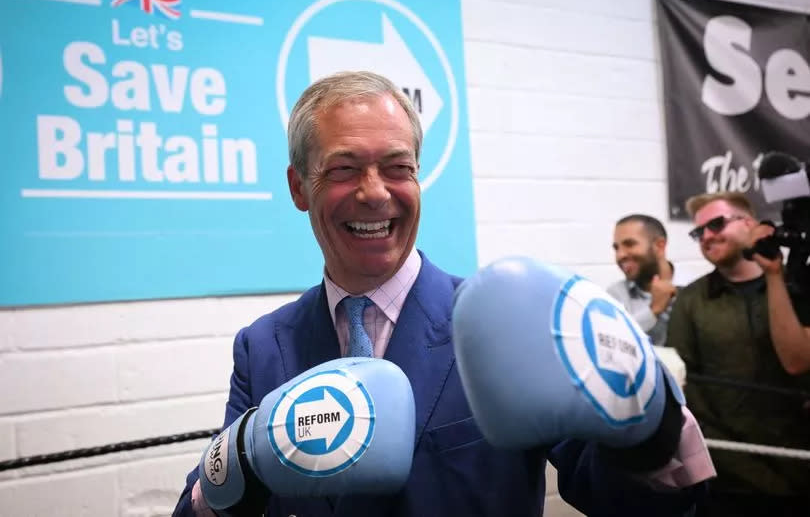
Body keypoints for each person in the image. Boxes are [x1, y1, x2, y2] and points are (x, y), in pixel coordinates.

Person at [173, 71, 712, 517]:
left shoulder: (494, 324)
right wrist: (238, 465)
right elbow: (199, 510)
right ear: (298, 188)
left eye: (397, 167)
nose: (376, 192)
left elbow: (643, 505)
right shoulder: (263, 344)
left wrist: (653, 423)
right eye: (344, 169)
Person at [667, 191, 810, 516]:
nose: (706, 236)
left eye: (716, 224)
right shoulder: (690, 302)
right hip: (729, 484)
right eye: (698, 231)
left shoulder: (798, 285)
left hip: (802, 470)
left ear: (750, 224)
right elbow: (686, 393)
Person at [608, 214, 679, 345]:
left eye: (629, 244)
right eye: (616, 248)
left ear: (659, 246)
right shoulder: (615, 295)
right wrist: (653, 310)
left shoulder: (695, 288)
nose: (620, 255)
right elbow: (613, 343)